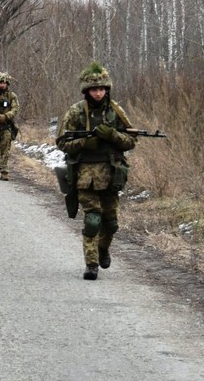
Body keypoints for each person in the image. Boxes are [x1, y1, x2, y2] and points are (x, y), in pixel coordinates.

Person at [55, 62, 137, 281]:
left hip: (111, 174)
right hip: (85, 176)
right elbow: (62, 142)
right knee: (92, 220)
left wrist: (112, 136)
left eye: (101, 89)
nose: (98, 93)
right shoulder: (76, 112)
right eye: (94, 89)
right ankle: (91, 265)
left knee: (111, 223)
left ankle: (103, 249)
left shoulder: (116, 110)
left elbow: (131, 140)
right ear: (86, 91)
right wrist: (85, 143)